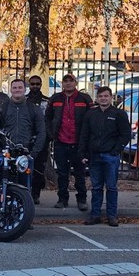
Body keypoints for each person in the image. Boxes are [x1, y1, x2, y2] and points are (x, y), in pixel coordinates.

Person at [78, 86, 131, 226]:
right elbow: (84, 134)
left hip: (110, 156)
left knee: (111, 187)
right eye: (100, 96)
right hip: (94, 156)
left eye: (106, 96)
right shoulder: (91, 114)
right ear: (97, 98)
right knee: (96, 187)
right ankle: (95, 215)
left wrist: (116, 149)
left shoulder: (119, 114)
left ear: (111, 97)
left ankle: (111, 216)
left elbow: (125, 134)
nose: (103, 99)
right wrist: (82, 153)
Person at [44, 73, 93, 211]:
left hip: (79, 143)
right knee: (62, 174)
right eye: (65, 81)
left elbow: (92, 118)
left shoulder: (85, 99)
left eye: (71, 81)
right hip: (61, 142)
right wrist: (51, 134)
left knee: (80, 174)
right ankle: (62, 199)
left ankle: (82, 200)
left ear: (75, 83)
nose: (68, 83)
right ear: (62, 84)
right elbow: (47, 118)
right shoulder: (55, 98)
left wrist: (87, 139)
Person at [0, 78, 46, 189]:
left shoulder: (34, 109)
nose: (17, 90)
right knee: (5, 186)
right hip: (7, 154)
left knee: (26, 187)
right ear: (10, 90)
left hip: (26, 154)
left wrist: (33, 153)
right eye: (14, 88)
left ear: (25, 89)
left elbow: (41, 132)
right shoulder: (2, 108)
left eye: (20, 87)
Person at [26, 74, 51, 204]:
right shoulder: (24, 100)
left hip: (42, 139)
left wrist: (49, 135)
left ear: (41, 85)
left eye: (37, 84)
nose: (35, 86)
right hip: (25, 139)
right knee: (24, 166)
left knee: (39, 168)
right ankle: (25, 192)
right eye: (32, 84)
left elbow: (50, 119)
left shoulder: (47, 101)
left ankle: (36, 193)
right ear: (29, 85)